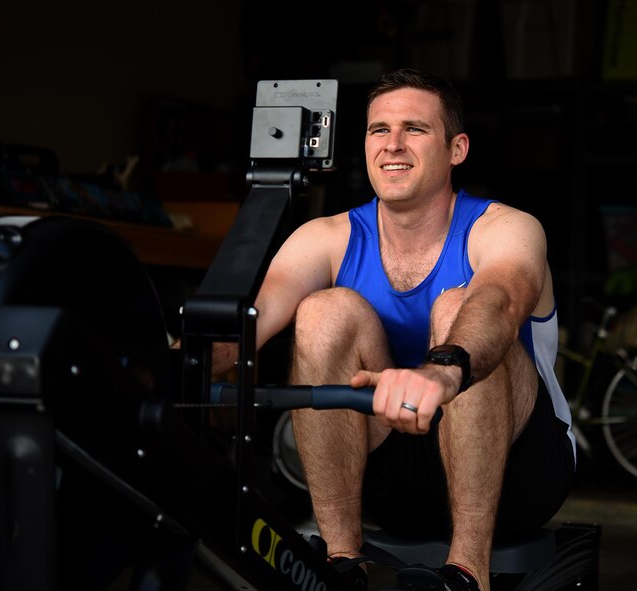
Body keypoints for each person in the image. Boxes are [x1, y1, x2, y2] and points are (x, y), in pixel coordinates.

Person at [213, 68, 575, 591]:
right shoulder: (327, 236)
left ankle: (468, 572)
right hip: (385, 477)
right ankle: (341, 561)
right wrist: (159, 367)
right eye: (378, 130)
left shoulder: (506, 228)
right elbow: (246, 323)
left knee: (458, 306)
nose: (393, 144)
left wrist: (444, 371)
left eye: (415, 129)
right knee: (321, 311)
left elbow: (499, 298)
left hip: (519, 474)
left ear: (457, 149)